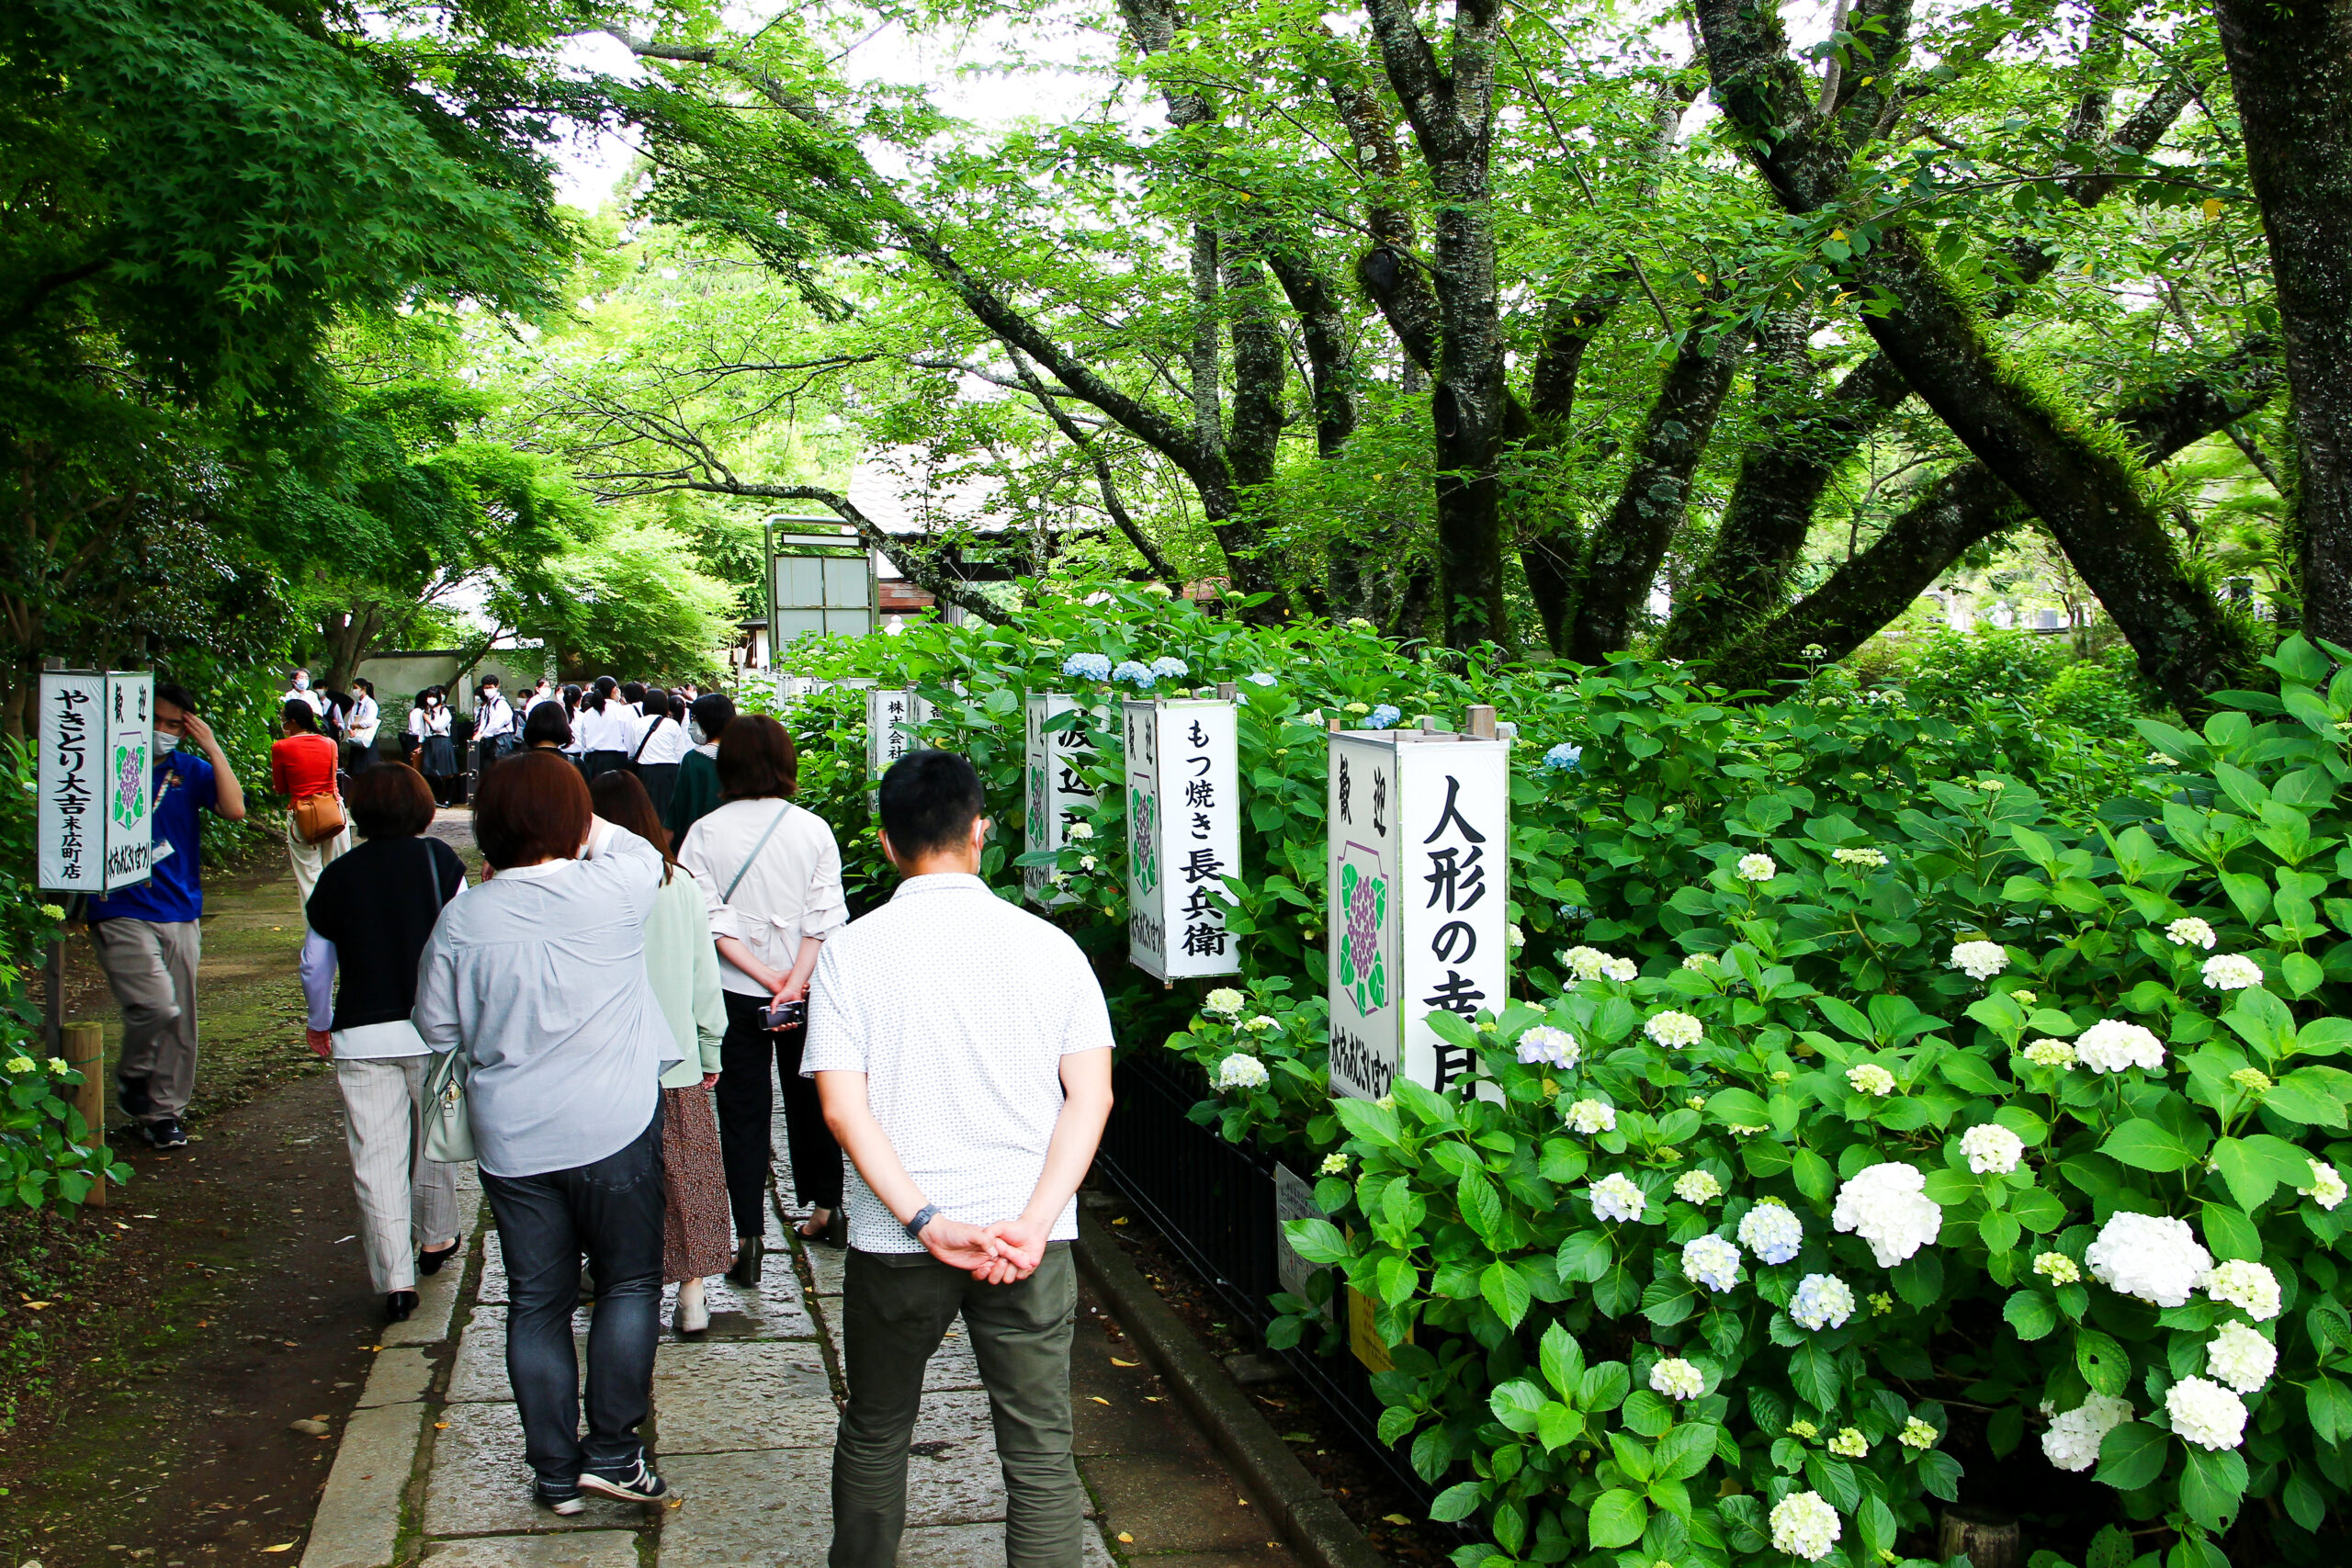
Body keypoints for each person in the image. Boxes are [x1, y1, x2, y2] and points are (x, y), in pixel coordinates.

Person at [807, 750, 1114, 1568]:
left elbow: (842, 1106)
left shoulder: (851, 951)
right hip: (1028, 1241)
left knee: (876, 1428)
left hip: (897, 1238)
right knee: (1042, 1453)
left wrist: (927, 1219)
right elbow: (1092, 1097)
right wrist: (1034, 1220)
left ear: (883, 842)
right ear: (981, 831)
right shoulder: (1051, 948)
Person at [413, 752, 680, 1515]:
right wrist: (576, 817)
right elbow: (641, 848)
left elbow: (435, 1026)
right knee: (628, 1283)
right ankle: (615, 1454)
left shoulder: (463, 916)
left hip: (515, 1139)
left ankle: (555, 1471)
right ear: (574, 821)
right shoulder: (615, 888)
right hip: (616, 1124)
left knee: (536, 1301)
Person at [675, 716, 848, 1275]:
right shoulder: (813, 829)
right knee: (817, 1100)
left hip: (736, 991)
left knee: (742, 1112)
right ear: (785, 763)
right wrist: (792, 983)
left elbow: (710, 921)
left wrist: (765, 980)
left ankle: (747, 1238)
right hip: (807, 989)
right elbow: (824, 919)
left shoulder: (704, 831)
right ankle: (828, 1207)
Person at [298, 764, 466, 1321]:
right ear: (421, 807)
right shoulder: (441, 863)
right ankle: (437, 1235)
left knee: (376, 1157)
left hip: (361, 1033)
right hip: (433, 1029)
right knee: (436, 1137)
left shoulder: (337, 876)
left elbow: (314, 962)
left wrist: (319, 1020)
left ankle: (395, 1279)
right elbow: (464, 943)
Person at [589, 772, 730, 1337]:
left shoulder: (584, 885)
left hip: (603, 1067)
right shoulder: (680, 884)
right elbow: (704, 977)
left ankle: (620, 1285)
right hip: (676, 1060)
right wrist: (710, 1046)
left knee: (614, 1183)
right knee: (688, 1177)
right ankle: (692, 1297)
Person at [83, 682, 250, 1149]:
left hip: (178, 906)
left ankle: (164, 1113)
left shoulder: (190, 768)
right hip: (119, 904)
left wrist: (211, 746)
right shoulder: (111, 763)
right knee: (157, 1003)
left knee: (181, 1017)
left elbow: (234, 809)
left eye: (174, 724)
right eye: (154, 720)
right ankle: (135, 1075)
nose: (162, 730)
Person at [272, 697, 352, 906]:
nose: (283, 724)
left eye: (285, 720)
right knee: (339, 874)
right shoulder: (330, 744)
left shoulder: (281, 747)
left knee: (309, 877)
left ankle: (316, 933)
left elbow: (281, 788)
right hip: (333, 809)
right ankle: (343, 931)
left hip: (302, 813)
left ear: (294, 722)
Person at [662, 693, 733, 849]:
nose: (692, 725)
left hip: (697, 845)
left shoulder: (693, 760)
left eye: (694, 719)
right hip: (735, 844)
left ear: (706, 721)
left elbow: (677, 813)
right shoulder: (743, 757)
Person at [628, 689, 689, 821]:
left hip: (646, 771)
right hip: (670, 771)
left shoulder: (636, 724)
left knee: (649, 810)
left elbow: (631, 751)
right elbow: (681, 754)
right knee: (669, 810)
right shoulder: (672, 724)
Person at [577, 677, 635, 781]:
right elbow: (629, 742)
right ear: (614, 690)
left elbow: (583, 742)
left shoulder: (588, 714)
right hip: (617, 761)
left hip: (592, 761)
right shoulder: (623, 712)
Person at [411, 687, 460, 807]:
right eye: (429, 696)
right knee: (430, 771)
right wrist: (420, 744)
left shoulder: (444, 711)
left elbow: (439, 727)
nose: (431, 699)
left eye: (433, 696)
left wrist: (428, 720)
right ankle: (435, 798)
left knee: (446, 771)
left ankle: (448, 799)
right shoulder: (425, 712)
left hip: (442, 741)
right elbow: (422, 731)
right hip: (429, 742)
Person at [472, 674, 519, 782]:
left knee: (502, 768)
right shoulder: (489, 704)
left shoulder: (501, 703)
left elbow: (497, 722)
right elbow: (484, 720)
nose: (488, 690)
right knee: (491, 767)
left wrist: (483, 734)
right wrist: (479, 733)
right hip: (492, 739)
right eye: (486, 688)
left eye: (490, 687)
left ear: (497, 686)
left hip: (503, 739)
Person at [346, 678, 381, 773]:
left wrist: (355, 725)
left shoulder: (371, 703)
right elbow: (350, 720)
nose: (354, 690)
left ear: (363, 688)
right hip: (356, 739)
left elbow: (369, 721)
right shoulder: (356, 705)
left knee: (368, 769)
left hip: (366, 739)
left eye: (356, 688)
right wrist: (350, 729)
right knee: (354, 769)